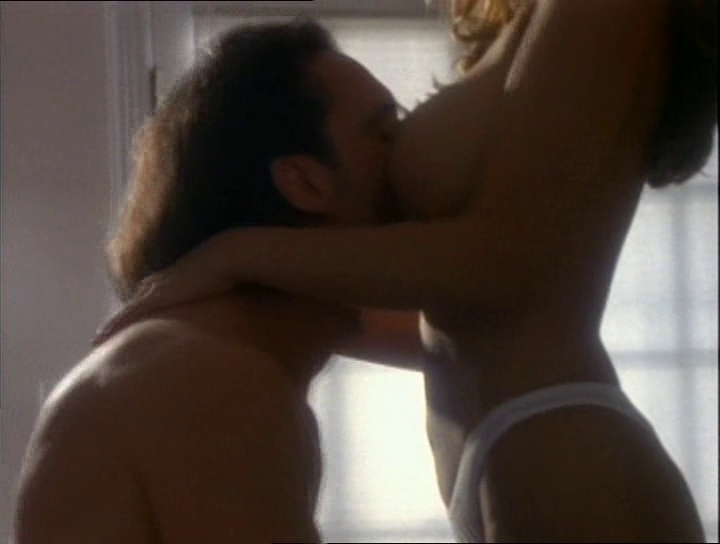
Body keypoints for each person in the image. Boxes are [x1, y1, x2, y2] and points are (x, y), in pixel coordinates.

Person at [95, 0, 717, 542]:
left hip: (560, 448)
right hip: (513, 445)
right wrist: (238, 302)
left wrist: (234, 252)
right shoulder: (535, 20)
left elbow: (504, 265)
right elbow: (459, 304)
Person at [13, 19, 413, 543]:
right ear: (306, 183)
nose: (414, 156)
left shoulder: (193, 353)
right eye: (385, 134)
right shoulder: (219, 381)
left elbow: (472, 294)